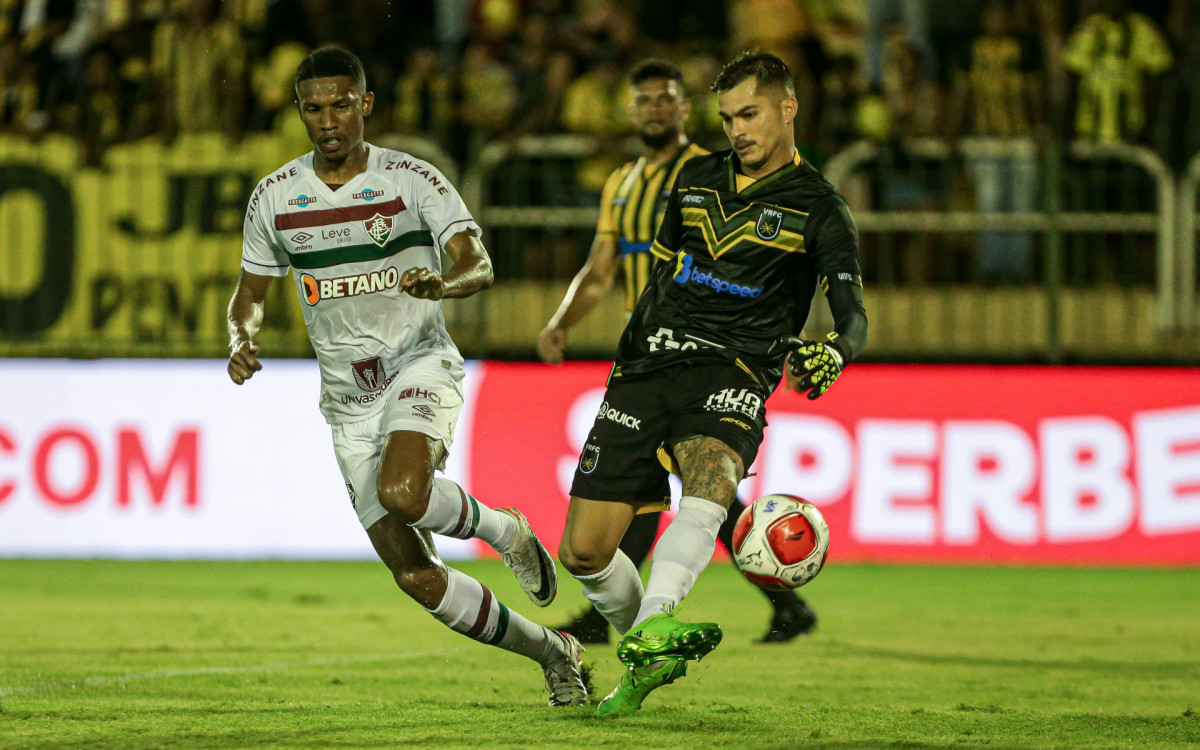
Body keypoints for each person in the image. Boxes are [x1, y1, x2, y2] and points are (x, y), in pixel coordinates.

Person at [226, 47, 587, 707]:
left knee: (403, 491)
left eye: (341, 105)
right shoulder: (274, 196)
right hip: (347, 403)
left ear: (366, 104)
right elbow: (250, 292)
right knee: (419, 579)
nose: (328, 120)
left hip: (418, 364)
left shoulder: (412, 178)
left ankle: (504, 531)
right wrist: (241, 337)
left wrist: (444, 283)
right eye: (313, 108)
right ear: (299, 111)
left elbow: (479, 264)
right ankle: (553, 651)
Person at [557, 50, 868, 717]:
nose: (737, 130)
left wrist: (836, 351)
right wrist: (628, 354)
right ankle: (649, 643)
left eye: (749, 114)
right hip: (649, 366)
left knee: (711, 475)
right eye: (727, 118)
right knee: (581, 552)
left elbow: (854, 317)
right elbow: (660, 276)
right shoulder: (695, 179)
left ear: (788, 108)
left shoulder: (820, 208)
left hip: (735, 369)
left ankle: (653, 626)